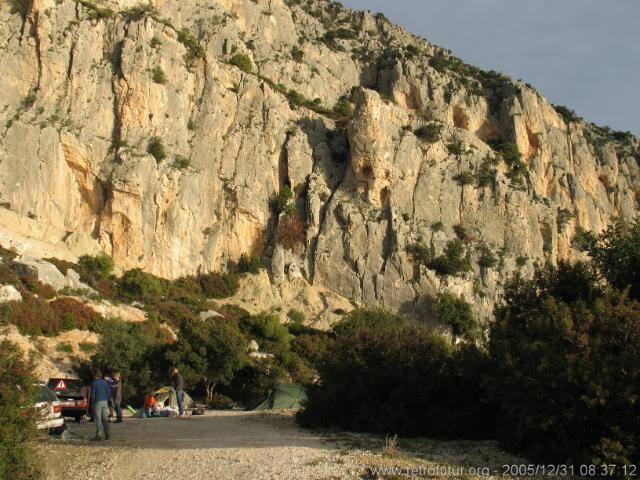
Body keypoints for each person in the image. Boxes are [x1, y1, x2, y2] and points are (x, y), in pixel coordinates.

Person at [90, 369, 112, 441]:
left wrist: (92, 404)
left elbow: (93, 395)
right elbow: (109, 393)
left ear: (94, 375)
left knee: (98, 419)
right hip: (105, 402)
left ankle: (99, 435)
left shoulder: (94, 383)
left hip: (98, 402)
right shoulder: (105, 383)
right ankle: (107, 435)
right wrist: (107, 399)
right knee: (105, 419)